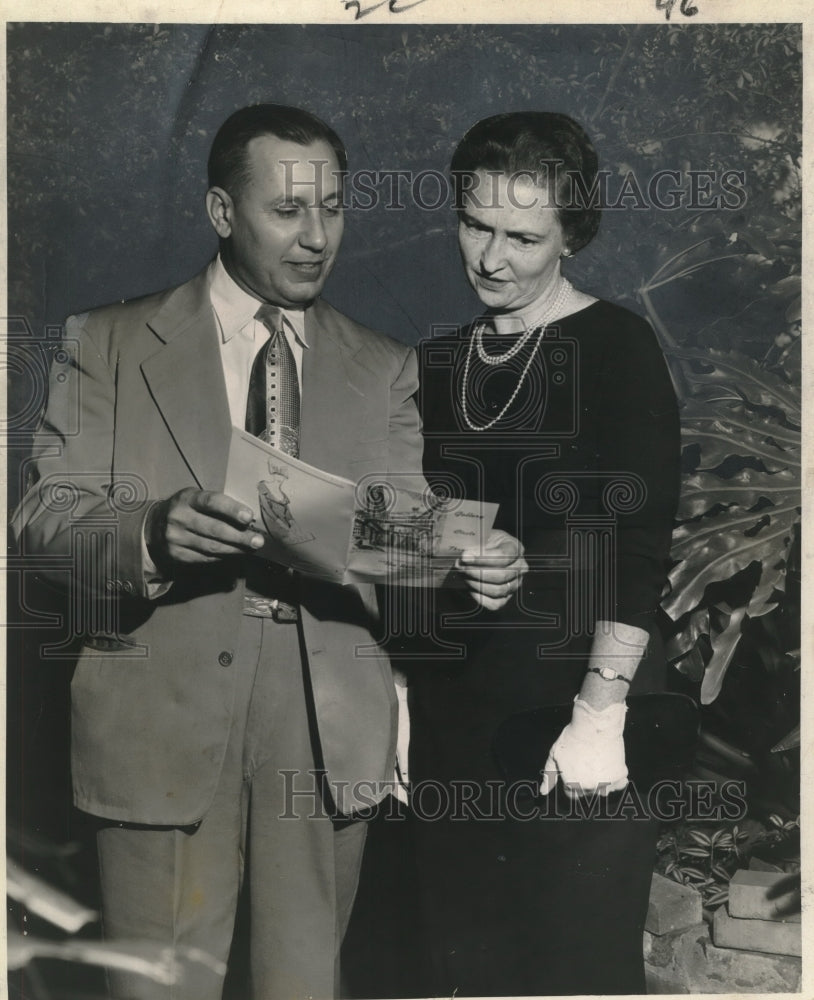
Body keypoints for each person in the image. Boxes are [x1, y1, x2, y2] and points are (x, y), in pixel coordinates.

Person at [12, 104, 525, 1000]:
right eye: (288, 211)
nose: (316, 236)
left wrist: (471, 557)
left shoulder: (382, 364)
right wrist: (146, 534)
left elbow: (396, 527)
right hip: (158, 713)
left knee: (304, 983)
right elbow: (42, 522)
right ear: (221, 212)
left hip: (324, 728)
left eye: (332, 209)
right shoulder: (104, 343)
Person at [400, 111, 681, 996]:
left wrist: (601, 711)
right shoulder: (436, 362)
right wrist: (401, 690)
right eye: (477, 225)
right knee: (460, 966)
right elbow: (398, 528)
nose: (493, 257)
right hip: (456, 710)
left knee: (573, 967)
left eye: (523, 236)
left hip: (570, 706)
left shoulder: (619, 348)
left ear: (571, 236)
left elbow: (638, 544)